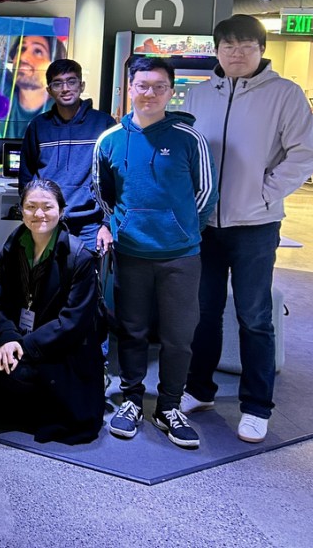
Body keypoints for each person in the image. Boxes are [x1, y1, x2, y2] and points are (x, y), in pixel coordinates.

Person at [181, 15, 313, 443]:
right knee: (202, 312)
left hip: (256, 226)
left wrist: (264, 194)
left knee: (255, 316)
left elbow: (304, 155)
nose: (235, 53)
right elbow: (187, 150)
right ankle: (199, 389)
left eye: (245, 45)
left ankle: (257, 406)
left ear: (261, 49)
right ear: (216, 51)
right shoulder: (200, 94)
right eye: (227, 46)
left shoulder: (284, 94)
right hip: (205, 225)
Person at [93, 55, 217, 449]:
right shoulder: (109, 140)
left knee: (179, 335)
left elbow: (205, 192)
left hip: (181, 255)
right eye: (142, 85)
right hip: (131, 254)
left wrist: (181, 231)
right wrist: (122, 228)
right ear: (129, 88)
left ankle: (168, 406)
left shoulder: (187, 138)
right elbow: (104, 194)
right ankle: (130, 400)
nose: (149, 93)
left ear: (169, 90)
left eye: (158, 87)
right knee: (131, 331)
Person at [0, 179, 107, 444]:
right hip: (20, 337)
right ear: (21, 211)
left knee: (15, 374)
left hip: (60, 348)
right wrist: (7, 340)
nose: (39, 214)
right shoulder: (13, 246)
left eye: (47, 207)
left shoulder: (78, 256)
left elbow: (72, 323)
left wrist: (21, 346)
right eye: (30, 207)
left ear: (61, 210)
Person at [19, 58, 116, 254]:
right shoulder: (38, 126)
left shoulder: (104, 124)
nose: (65, 88)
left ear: (81, 86)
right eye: (57, 83)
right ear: (49, 90)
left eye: (71, 81)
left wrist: (107, 224)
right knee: (45, 282)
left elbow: (115, 179)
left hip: (90, 227)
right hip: (46, 222)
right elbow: (26, 178)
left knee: (86, 283)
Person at [0, 35, 63, 139]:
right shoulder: (3, 88)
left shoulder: (64, 114)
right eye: (21, 49)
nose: (23, 57)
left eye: (38, 51)